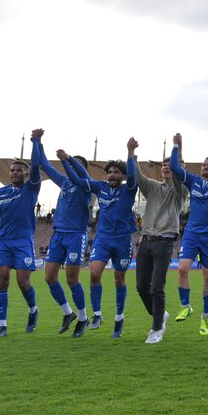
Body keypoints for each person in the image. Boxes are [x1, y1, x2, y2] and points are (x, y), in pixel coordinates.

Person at [64, 140, 139, 339]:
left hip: (122, 240)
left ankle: (119, 316)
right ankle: (97, 315)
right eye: (109, 172)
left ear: (122, 176)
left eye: (116, 172)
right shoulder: (100, 187)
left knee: (119, 279)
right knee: (94, 274)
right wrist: (67, 160)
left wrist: (130, 151)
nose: (111, 175)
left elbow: (132, 174)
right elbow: (78, 180)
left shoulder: (129, 188)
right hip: (103, 239)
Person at [0, 157, 42, 338]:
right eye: (12, 170)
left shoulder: (31, 188)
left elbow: (35, 166)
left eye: (19, 170)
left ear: (26, 174)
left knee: (22, 282)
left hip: (23, 241)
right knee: (2, 278)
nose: (15, 173)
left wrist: (37, 141)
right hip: (3, 241)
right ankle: (2, 326)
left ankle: (33, 309)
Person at [31, 130, 91, 337]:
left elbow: (82, 174)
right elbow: (45, 166)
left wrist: (68, 160)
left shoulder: (87, 185)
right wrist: (37, 141)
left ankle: (83, 317)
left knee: (72, 279)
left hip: (76, 235)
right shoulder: (65, 182)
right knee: (49, 277)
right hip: (58, 234)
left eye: (77, 165)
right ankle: (68, 313)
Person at [170, 133, 208, 336]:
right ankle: (186, 306)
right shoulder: (193, 181)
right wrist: (177, 146)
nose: (205, 167)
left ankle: (206, 318)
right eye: (204, 164)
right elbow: (175, 168)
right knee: (182, 269)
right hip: (192, 233)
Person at [130, 141, 188, 345]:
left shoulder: (179, 190)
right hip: (145, 241)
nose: (166, 167)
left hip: (164, 242)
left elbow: (179, 171)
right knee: (141, 287)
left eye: (169, 165)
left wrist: (178, 150)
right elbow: (137, 176)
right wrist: (131, 152)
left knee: (157, 287)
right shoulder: (152, 187)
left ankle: (156, 329)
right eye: (164, 165)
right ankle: (160, 314)